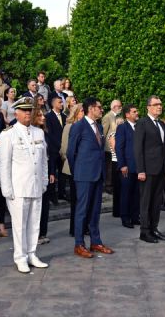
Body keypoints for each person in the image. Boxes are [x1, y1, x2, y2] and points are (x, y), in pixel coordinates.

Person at [0, 97, 49, 273]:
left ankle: (32, 253)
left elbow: (44, 160)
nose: (28, 113)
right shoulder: (8, 134)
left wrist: (43, 181)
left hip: (36, 186)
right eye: (24, 110)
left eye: (30, 110)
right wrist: (7, 189)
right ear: (16, 112)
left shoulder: (39, 132)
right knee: (20, 225)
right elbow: (4, 164)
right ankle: (20, 257)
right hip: (18, 188)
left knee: (35, 222)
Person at [67, 97, 114, 258]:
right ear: (91, 108)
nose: (102, 110)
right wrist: (78, 172)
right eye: (99, 107)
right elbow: (70, 152)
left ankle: (96, 241)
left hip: (97, 174)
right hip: (84, 175)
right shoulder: (78, 126)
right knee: (82, 210)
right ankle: (79, 244)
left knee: (95, 210)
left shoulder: (99, 126)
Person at [134, 95, 165, 244]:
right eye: (156, 104)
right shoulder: (142, 123)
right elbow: (138, 148)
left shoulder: (161, 124)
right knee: (146, 201)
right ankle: (145, 231)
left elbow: (164, 148)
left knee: (157, 201)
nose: (159, 107)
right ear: (148, 107)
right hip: (147, 169)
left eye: (160, 104)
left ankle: (154, 228)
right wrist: (140, 170)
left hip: (160, 169)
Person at [31, 106, 56, 245]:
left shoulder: (46, 133)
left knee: (45, 205)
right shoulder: (31, 133)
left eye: (43, 115)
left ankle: (43, 233)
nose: (43, 117)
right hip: (34, 172)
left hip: (45, 172)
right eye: (39, 115)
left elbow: (50, 154)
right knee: (35, 206)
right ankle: (34, 234)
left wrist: (52, 172)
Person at [60, 105, 85, 236]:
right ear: (75, 113)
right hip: (73, 168)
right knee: (76, 200)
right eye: (81, 110)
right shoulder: (69, 127)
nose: (84, 113)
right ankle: (74, 229)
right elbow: (64, 149)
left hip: (84, 169)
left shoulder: (85, 126)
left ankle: (83, 226)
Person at [115, 104, 140, 228]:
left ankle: (135, 216)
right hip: (127, 166)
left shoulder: (139, 126)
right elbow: (119, 147)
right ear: (127, 114)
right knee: (126, 193)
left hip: (138, 166)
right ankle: (125, 218)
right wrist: (122, 165)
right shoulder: (122, 128)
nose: (137, 113)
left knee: (137, 193)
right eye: (134, 112)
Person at [102, 99, 122, 215]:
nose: (120, 107)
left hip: (117, 148)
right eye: (119, 106)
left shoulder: (119, 117)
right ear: (114, 106)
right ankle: (109, 185)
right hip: (109, 147)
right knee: (109, 167)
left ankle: (112, 184)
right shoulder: (107, 117)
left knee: (113, 168)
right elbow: (104, 132)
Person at [45, 96, 67, 203]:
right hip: (53, 149)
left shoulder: (64, 116)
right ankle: (52, 195)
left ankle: (62, 193)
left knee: (63, 172)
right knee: (52, 172)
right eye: (59, 102)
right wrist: (59, 146)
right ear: (53, 104)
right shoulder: (48, 117)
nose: (62, 104)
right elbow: (50, 134)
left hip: (63, 149)